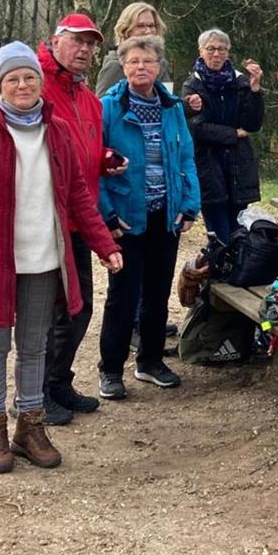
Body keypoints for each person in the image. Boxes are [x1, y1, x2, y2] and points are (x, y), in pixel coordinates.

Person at [0, 42, 123, 473]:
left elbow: (78, 194)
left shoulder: (56, 131)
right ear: (0, 86)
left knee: (34, 346)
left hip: (43, 259)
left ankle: (30, 424)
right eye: (12, 79)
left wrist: (105, 245)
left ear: (39, 84)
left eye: (28, 78)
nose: (22, 85)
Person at [35, 13, 127, 425]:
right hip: (44, 218)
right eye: (77, 41)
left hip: (80, 218)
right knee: (52, 311)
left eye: (91, 44)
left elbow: (88, 149)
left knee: (79, 308)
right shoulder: (34, 84)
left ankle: (58, 382)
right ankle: (36, 393)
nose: (85, 50)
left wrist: (105, 160)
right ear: (56, 41)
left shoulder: (88, 98)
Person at [97, 34, 200, 400]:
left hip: (165, 215)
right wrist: (106, 214)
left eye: (148, 61)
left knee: (157, 292)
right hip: (126, 216)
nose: (141, 67)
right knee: (122, 295)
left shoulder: (171, 107)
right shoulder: (108, 107)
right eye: (134, 61)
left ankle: (151, 361)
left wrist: (190, 204)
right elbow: (93, 165)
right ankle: (110, 369)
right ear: (123, 66)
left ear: (159, 67)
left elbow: (186, 156)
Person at [180, 28, 264, 243]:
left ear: (228, 52)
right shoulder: (193, 85)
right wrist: (233, 133)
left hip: (238, 166)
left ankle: (239, 274)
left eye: (221, 49)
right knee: (218, 233)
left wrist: (255, 92)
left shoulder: (241, 82)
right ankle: (217, 273)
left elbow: (252, 124)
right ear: (201, 51)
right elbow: (196, 129)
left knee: (239, 231)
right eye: (211, 49)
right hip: (208, 165)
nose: (216, 54)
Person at [95, 2, 174, 97]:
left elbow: (167, 101)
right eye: (141, 26)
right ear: (125, 31)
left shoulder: (160, 63)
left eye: (151, 26)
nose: (148, 31)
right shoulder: (115, 66)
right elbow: (100, 108)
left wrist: (188, 106)